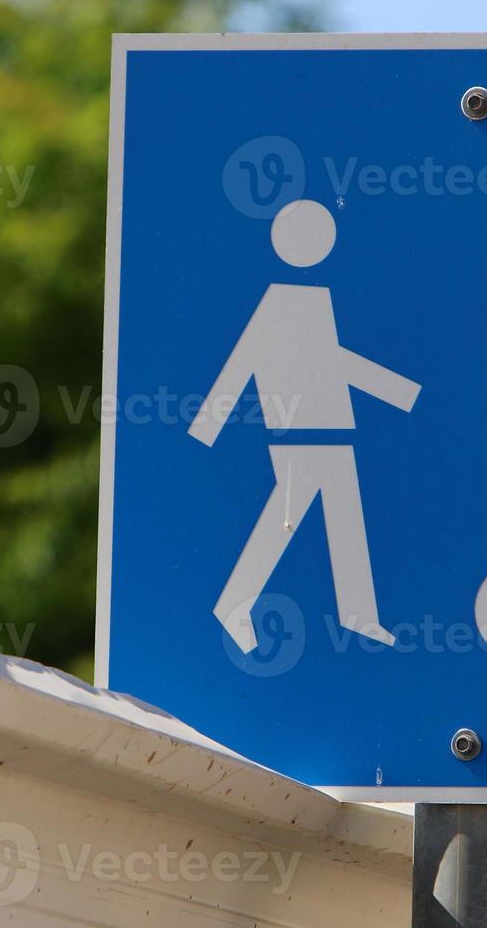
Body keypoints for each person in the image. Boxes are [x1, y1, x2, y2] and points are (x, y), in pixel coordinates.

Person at [189, 200, 420, 653]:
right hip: (299, 428)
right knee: (282, 522)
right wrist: (209, 422)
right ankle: (235, 603)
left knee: (344, 515)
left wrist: (391, 388)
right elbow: (247, 357)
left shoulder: (315, 299)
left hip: (330, 424)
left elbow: (329, 361)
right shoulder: (281, 299)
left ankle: (359, 615)